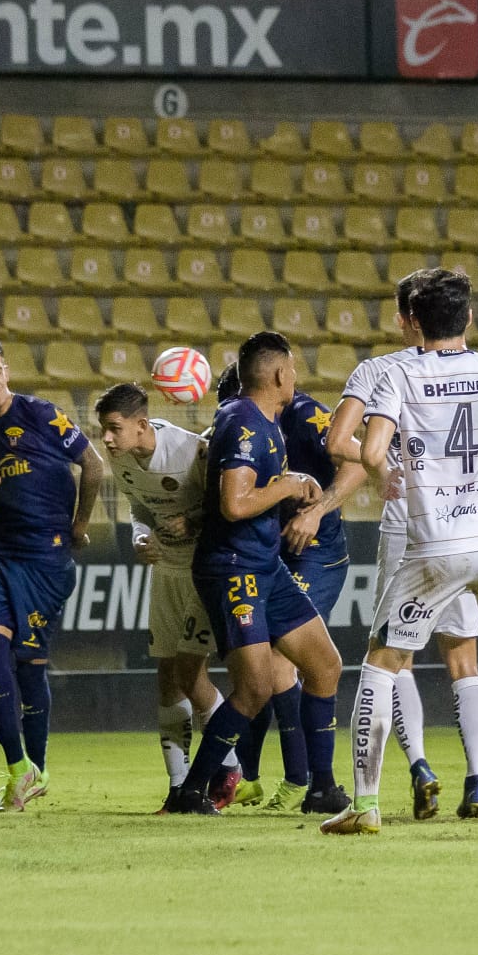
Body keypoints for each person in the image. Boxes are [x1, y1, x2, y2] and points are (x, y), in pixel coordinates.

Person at [321, 269, 478, 835]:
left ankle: (364, 805)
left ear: (409, 321)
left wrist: (387, 472)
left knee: (381, 663)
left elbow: (368, 448)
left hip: (435, 543)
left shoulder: (398, 373)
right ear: (468, 319)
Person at [327, 268, 478, 821]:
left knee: (396, 657)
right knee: (464, 655)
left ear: (405, 319)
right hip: (470, 523)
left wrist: (385, 466)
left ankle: (419, 764)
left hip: (407, 525)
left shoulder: (380, 369)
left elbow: (337, 439)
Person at [168, 331, 345, 816]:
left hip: (265, 565)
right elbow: (234, 503)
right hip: (234, 570)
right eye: (293, 368)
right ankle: (192, 790)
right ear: (280, 373)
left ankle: (322, 787)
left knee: (325, 665)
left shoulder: (264, 421)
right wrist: (291, 483)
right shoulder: (243, 420)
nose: (296, 377)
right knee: (255, 689)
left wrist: (294, 488)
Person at [0, 336, 104, 812]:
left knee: (29, 665)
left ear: (6, 370)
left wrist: (80, 524)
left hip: (47, 561)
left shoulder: (41, 414)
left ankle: (33, 771)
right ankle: (19, 768)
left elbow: (94, 466)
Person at [214, 361, 360, 815]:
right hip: (269, 554)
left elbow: (357, 464)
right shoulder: (241, 425)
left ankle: (304, 780)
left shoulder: (303, 414)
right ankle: (252, 779)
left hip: (316, 555)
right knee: (253, 668)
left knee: (279, 663)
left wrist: (317, 511)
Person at [93, 381, 241, 812]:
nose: (106, 438)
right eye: (103, 429)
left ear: (141, 425)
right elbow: (139, 507)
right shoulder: (119, 458)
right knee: (166, 679)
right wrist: (141, 537)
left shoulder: (190, 451)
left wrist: (192, 522)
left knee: (191, 677)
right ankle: (178, 788)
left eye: (113, 428)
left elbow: (227, 504)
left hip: (204, 571)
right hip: (166, 573)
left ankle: (228, 765)